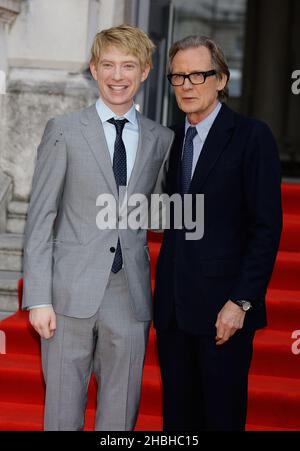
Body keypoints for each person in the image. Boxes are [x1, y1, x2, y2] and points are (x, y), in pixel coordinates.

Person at [22, 24, 174, 431]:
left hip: (130, 297)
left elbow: (158, 212)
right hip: (68, 295)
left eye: (128, 65)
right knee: (61, 415)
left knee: (120, 418)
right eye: (107, 65)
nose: (117, 75)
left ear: (145, 71)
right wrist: (38, 297)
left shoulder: (163, 139)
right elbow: (40, 217)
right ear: (93, 69)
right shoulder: (65, 131)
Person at [153, 35, 282, 431]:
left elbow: (266, 228)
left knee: (221, 419)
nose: (187, 85)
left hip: (223, 313)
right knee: (178, 422)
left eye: (198, 74)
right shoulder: (170, 140)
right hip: (173, 312)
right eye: (178, 77)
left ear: (221, 79)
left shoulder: (251, 136)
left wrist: (240, 302)